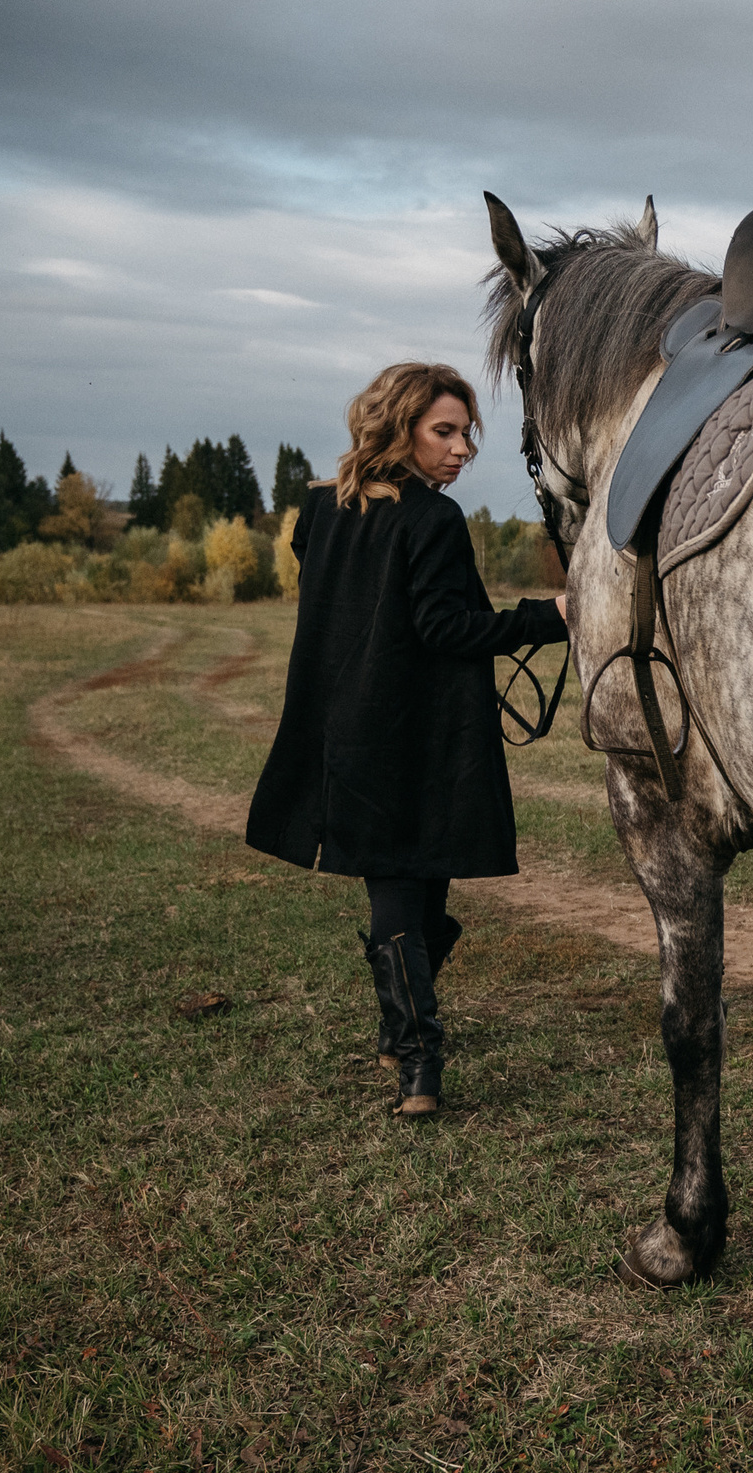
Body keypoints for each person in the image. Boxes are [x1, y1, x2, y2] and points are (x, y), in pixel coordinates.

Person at [245, 362, 569, 1118]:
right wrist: (550, 615)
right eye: (444, 432)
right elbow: (446, 628)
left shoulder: (319, 510)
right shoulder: (432, 520)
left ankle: (402, 1029)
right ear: (401, 428)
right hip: (417, 737)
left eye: (466, 434)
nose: (461, 449)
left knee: (419, 888)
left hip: (349, 729)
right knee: (406, 883)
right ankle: (420, 1060)